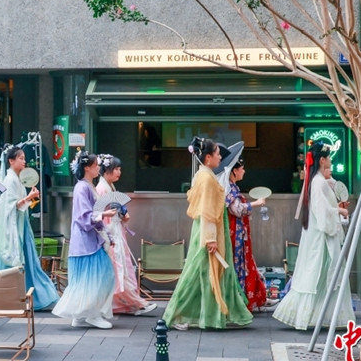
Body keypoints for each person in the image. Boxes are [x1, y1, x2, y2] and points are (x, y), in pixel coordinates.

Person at [163, 138, 253, 330]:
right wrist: (211, 239)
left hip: (206, 231)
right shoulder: (206, 178)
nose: (221, 156)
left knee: (202, 273)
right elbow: (207, 211)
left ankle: (193, 315)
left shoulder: (203, 175)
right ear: (209, 157)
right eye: (218, 154)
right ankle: (177, 315)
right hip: (209, 232)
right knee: (199, 272)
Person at [273, 141, 354, 330]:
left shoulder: (317, 180)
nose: (331, 161)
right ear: (322, 160)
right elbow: (322, 211)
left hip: (318, 236)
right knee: (320, 274)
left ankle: (316, 315)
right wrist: (339, 212)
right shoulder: (318, 182)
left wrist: (335, 209)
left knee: (317, 275)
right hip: (322, 238)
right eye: (329, 157)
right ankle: (321, 316)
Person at [53, 151, 117, 328]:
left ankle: (82, 315)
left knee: (88, 279)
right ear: (87, 167)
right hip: (86, 241)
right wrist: (103, 213)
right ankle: (92, 314)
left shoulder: (87, 186)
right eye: (96, 165)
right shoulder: (82, 187)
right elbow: (83, 216)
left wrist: (107, 233)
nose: (98, 168)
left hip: (89, 240)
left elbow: (89, 215)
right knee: (101, 277)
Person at [0, 144, 58, 310]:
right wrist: (30, 197)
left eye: (24, 158)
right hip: (14, 228)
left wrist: (29, 198)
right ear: (11, 161)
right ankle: (10, 297)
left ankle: (13, 296)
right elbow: (12, 205)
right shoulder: (10, 180)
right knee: (18, 260)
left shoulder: (16, 179)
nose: (24, 161)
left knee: (25, 260)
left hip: (20, 226)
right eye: (20, 158)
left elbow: (17, 205)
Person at [95, 154, 156, 316]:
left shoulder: (109, 187)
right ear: (106, 170)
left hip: (116, 231)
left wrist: (122, 215)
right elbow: (101, 215)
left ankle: (128, 304)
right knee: (119, 269)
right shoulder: (102, 189)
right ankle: (136, 303)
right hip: (112, 234)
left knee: (122, 269)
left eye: (119, 169)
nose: (119, 172)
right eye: (116, 169)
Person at [225, 157, 267, 311]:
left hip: (239, 234)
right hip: (235, 235)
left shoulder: (232, 187)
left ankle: (252, 298)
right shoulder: (229, 188)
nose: (244, 171)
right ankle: (240, 302)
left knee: (245, 264)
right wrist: (255, 203)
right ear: (234, 171)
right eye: (241, 168)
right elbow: (236, 209)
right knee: (239, 265)